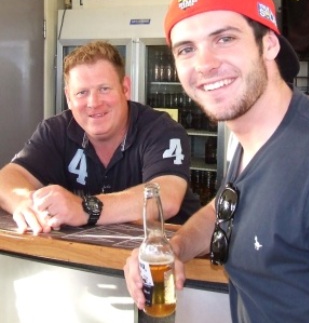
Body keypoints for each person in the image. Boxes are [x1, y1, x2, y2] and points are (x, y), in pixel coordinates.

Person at [124, 0, 309, 322]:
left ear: (270, 44)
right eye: (186, 49)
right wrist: (174, 248)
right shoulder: (249, 140)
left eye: (225, 38)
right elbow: (227, 206)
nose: (204, 64)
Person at [0, 41, 200, 234]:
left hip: (172, 256)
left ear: (125, 88)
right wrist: (25, 203)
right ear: (68, 98)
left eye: (104, 89)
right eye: (82, 93)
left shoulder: (161, 130)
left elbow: (166, 197)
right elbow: (7, 179)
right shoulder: (55, 130)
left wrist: (83, 209)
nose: (93, 103)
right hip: (90, 257)